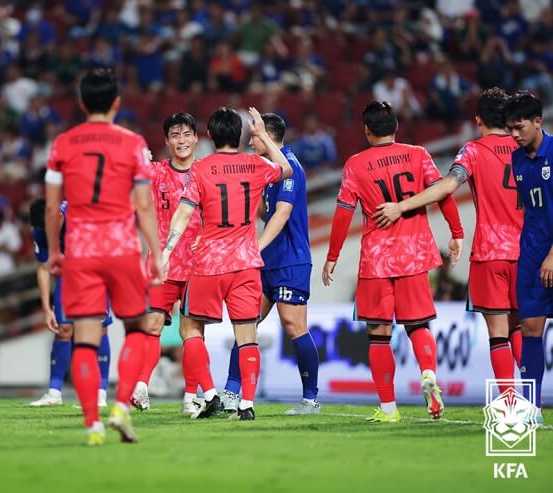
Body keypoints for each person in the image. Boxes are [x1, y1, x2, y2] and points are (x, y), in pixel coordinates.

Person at [373, 88, 523, 393]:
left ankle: (509, 405)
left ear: (478, 119)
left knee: (498, 333)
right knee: (521, 328)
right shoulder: (528, 148)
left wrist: (402, 206)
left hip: (490, 252)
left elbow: (446, 188)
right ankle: (534, 402)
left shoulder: (473, 151)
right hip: (528, 252)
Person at [322, 101, 464, 423]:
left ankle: (388, 409)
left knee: (379, 334)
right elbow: (442, 192)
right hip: (415, 253)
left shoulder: (356, 164)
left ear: (367, 130)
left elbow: (343, 213)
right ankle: (428, 373)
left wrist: (332, 256)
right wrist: (456, 232)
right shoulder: (418, 154)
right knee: (418, 325)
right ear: (396, 126)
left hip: (377, 258)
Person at [44, 69, 163, 446]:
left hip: (80, 251)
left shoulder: (62, 144)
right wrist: (156, 252)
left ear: (81, 103)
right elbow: (144, 205)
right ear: (116, 103)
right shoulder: (132, 143)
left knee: (84, 340)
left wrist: (54, 251)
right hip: (122, 249)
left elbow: (51, 209)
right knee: (137, 330)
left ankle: (93, 425)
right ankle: (121, 409)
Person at [162, 107, 292, 421]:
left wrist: (166, 250)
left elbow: (183, 212)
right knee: (247, 336)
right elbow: (286, 168)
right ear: (242, 135)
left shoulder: (202, 169)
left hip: (208, 263)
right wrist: (262, 135)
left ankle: (209, 394)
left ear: (209, 136)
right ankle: (246, 404)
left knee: (190, 328)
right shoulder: (256, 164)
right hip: (246, 264)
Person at [221, 113, 320, 415]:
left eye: (254, 136)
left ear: (268, 136)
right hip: (267, 261)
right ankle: (230, 393)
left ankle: (310, 399)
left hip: (290, 259)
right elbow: (267, 212)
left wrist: (255, 246)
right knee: (246, 323)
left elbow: (282, 214)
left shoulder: (291, 168)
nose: (249, 141)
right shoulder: (268, 170)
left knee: (294, 326)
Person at [130, 112, 204, 415]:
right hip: (162, 263)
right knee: (152, 324)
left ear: (196, 138)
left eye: (187, 134)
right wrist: (137, 160)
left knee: (193, 332)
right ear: (166, 141)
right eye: (175, 135)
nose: (182, 140)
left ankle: (189, 397)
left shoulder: (207, 173)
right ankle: (142, 387)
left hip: (199, 264)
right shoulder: (156, 172)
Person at [27, 198, 112, 408]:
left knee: (99, 329)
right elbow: (43, 268)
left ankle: (100, 393)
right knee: (63, 329)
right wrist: (46, 309)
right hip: (68, 277)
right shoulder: (40, 228)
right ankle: (54, 392)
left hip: (96, 274)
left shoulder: (82, 216)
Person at [505, 91, 552, 424]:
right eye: (509, 128)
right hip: (532, 255)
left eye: (519, 127)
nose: (514, 135)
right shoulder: (517, 158)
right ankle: (531, 409)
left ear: (538, 122)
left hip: (551, 253)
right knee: (530, 328)